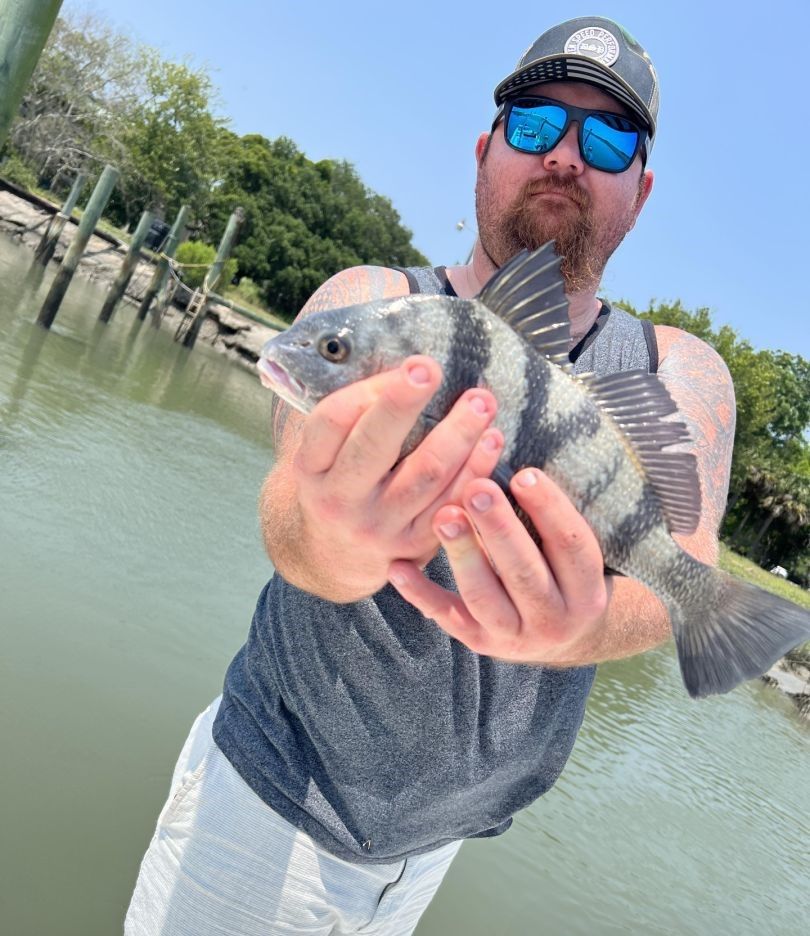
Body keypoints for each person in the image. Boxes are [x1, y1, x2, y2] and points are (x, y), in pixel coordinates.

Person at [125, 15, 735, 936]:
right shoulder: (374, 304)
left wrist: (579, 627)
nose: (565, 155)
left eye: (609, 139)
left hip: (434, 858)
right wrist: (337, 533)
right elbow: (293, 513)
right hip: (262, 814)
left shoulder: (676, 371)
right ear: (486, 151)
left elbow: (687, 559)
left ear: (640, 193)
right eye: (536, 124)